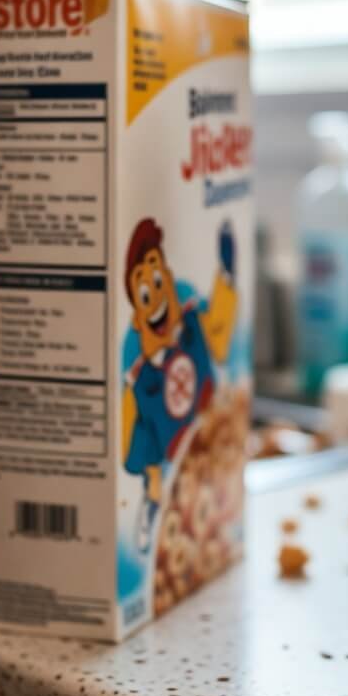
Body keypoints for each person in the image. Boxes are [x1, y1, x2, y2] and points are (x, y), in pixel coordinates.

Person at [121, 217, 238, 550]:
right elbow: (131, 423)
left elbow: (218, 332)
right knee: (158, 479)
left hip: (204, 431)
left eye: (158, 280)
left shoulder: (190, 319)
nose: (155, 296)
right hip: (167, 447)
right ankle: (152, 519)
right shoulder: (139, 368)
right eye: (144, 292)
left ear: (168, 279)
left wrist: (227, 275)